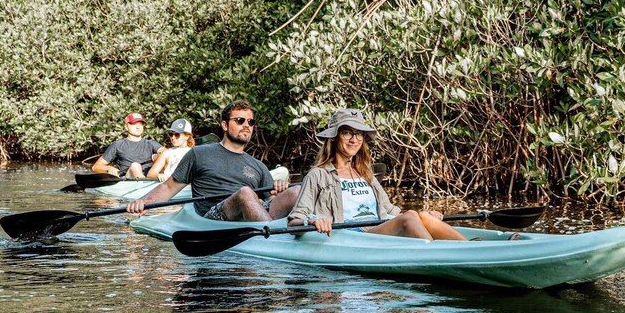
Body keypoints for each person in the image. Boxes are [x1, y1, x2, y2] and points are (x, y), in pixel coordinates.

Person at [288, 108, 469, 241]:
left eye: (359, 134)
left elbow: (391, 212)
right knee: (410, 217)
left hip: (378, 230)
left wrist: (426, 216)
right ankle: (439, 254)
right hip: (351, 237)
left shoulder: (366, 173)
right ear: (334, 137)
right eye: (347, 133)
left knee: (420, 215)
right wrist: (313, 220)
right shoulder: (317, 175)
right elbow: (294, 221)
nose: (354, 139)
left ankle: (468, 247)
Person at [126, 100, 299, 221]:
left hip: (253, 216)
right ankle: (270, 237)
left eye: (250, 122)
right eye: (239, 120)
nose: (246, 125)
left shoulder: (259, 166)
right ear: (224, 125)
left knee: (296, 191)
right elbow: (169, 187)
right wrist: (144, 202)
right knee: (245, 193)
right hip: (212, 216)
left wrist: (280, 189)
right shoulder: (198, 154)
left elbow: (271, 201)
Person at [92, 113, 164, 178]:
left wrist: (159, 157)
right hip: (127, 178)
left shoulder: (151, 143)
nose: (138, 127)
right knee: (135, 166)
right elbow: (95, 167)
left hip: (149, 178)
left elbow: (166, 152)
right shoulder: (117, 145)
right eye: (134, 124)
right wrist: (109, 168)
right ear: (126, 127)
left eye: (140, 124)